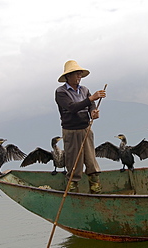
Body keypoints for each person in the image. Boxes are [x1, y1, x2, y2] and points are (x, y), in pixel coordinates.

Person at [55, 60, 106, 193]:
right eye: (76, 74)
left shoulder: (84, 90)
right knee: (73, 163)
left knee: (90, 159)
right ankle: (73, 190)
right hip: (71, 131)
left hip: (86, 129)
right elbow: (72, 108)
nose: (79, 77)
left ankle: (96, 189)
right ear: (68, 76)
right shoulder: (61, 92)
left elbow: (90, 106)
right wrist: (91, 99)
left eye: (80, 74)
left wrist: (93, 112)